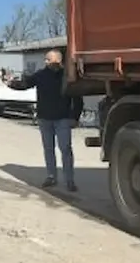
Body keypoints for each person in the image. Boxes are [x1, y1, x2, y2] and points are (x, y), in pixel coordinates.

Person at [7, 50, 83, 191]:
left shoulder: (67, 76)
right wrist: (10, 83)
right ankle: (51, 177)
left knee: (65, 149)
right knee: (48, 149)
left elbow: (77, 98)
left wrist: (75, 117)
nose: (46, 62)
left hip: (63, 118)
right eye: (46, 60)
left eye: (48, 59)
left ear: (58, 61)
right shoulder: (41, 75)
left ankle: (69, 180)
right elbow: (25, 84)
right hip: (44, 118)